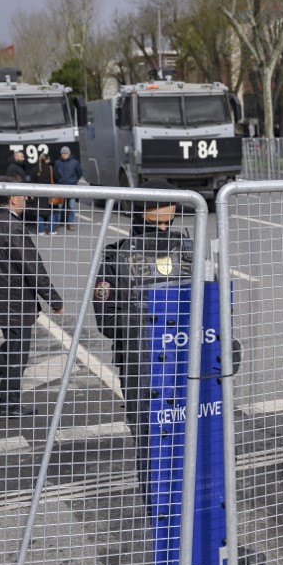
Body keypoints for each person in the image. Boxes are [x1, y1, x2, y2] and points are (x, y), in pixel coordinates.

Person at [92, 179, 193, 489]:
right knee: (151, 440)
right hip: (145, 366)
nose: (163, 233)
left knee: (185, 439)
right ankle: (156, 504)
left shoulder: (187, 252)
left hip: (176, 362)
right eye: (156, 224)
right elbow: (106, 322)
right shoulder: (116, 258)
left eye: (168, 224)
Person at [0, 191, 64, 418]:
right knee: (17, 354)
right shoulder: (13, 227)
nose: (27, 200)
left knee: (13, 345)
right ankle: (9, 405)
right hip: (16, 301)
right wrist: (53, 298)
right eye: (24, 196)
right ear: (13, 198)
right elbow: (32, 266)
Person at [53, 145, 83, 230]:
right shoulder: (57, 163)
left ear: (69, 154)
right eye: (63, 153)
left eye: (65, 153)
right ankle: (58, 224)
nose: (64, 155)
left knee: (71, 206)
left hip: (72, 188)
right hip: (60, 188)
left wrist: (74, 181)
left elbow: (79, 173)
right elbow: (55, 173)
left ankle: (70, 223)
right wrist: (59, 181)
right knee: (59, 207)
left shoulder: (75, 163)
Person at [30, 151, 59, 235]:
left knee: (39, 213)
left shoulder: (34, 170)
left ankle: (40, 231)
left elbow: (32, 183)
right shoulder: (51, 168)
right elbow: (57, 178)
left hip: (38, 195)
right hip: (50, 194)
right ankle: (52, 230)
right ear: (46, 159)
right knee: (51, 212)